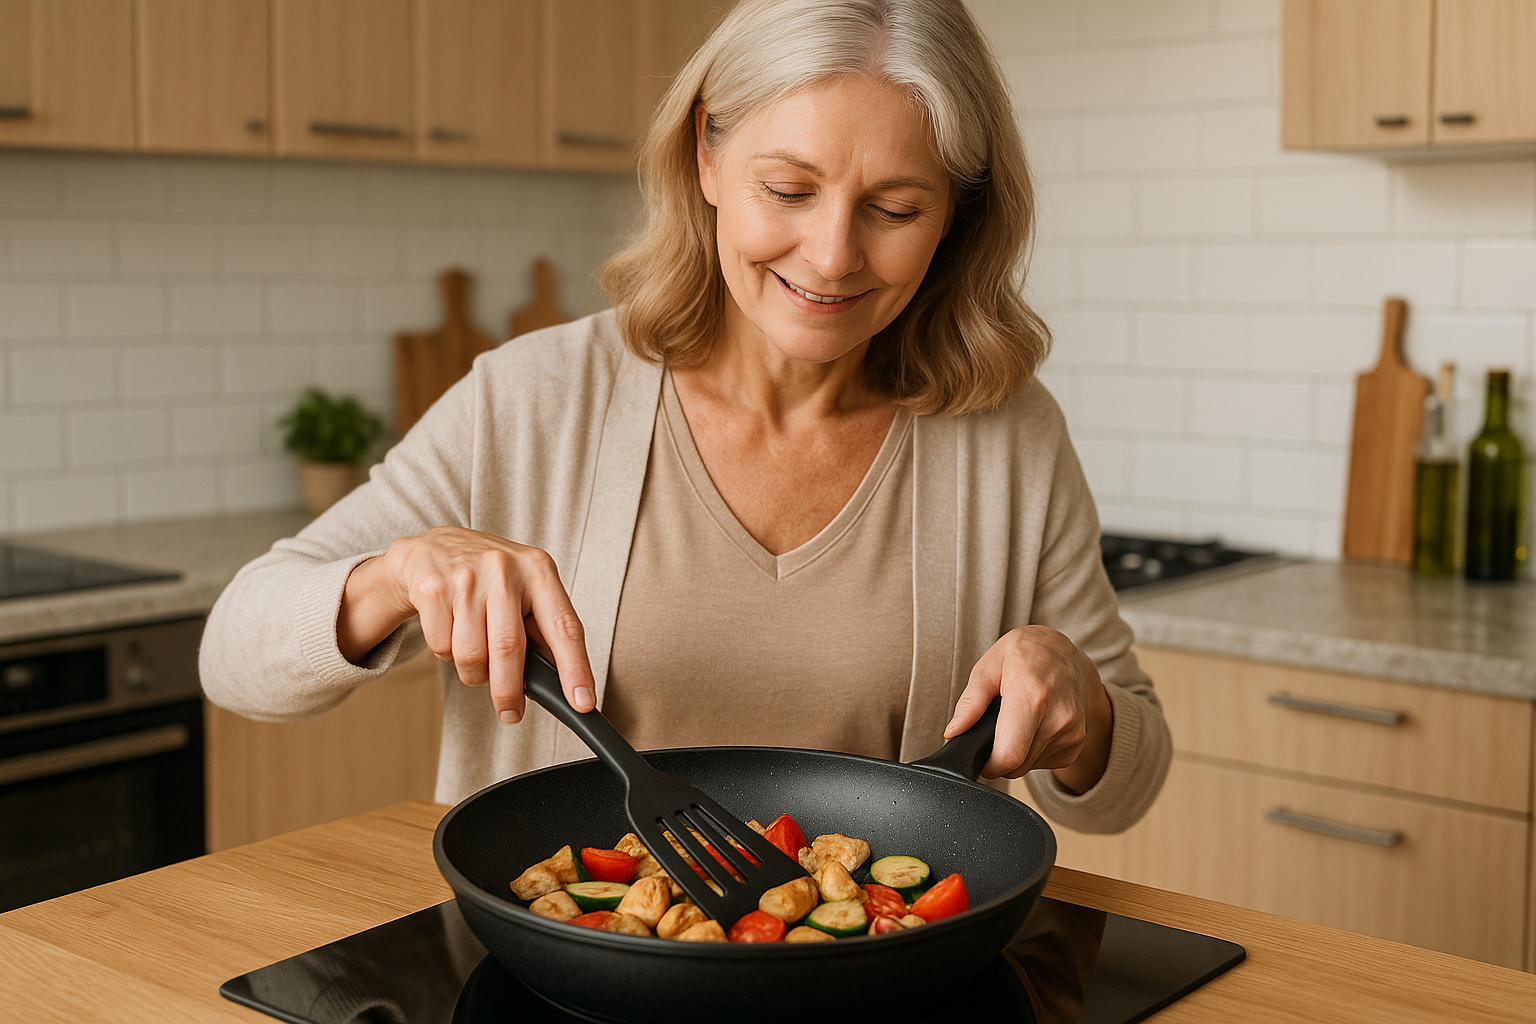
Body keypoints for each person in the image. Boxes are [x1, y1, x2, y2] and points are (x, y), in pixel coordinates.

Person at [201, 0, 1170, 834]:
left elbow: (1122, 785)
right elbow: (236, 658)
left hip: (876, 977)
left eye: (896, 208)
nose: (832, 254)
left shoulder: (1007, 433)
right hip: (565, 966)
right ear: (706, 154)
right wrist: (395, 575)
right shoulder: (536, 396)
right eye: (787, 189)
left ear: (957, 213)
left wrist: (1081, 702)